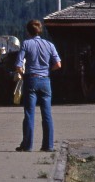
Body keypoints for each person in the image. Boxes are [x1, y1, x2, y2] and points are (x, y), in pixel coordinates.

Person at [14, 20, 61, 151]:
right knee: (47, 114)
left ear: (28, 31)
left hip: (31, 79)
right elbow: (58, 64)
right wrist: (47, 71)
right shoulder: (49, 45)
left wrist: (23, 75)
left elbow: (18, 65)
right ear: (40, 30)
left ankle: (27, 145)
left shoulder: (26, 43)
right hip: (45, 80)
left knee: (29, 113)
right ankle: (48, 145)